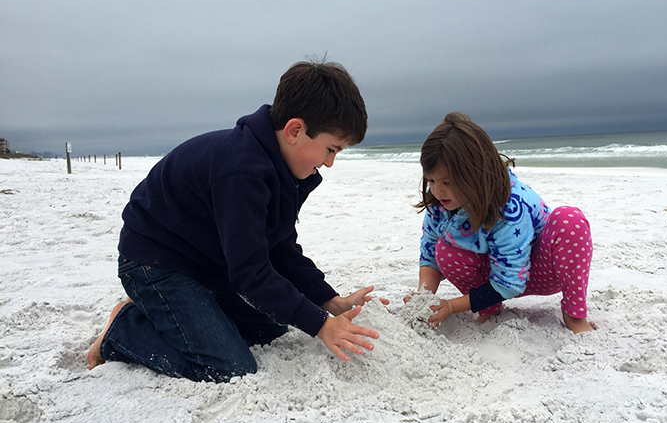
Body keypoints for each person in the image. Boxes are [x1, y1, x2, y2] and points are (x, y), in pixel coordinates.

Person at [87, 60, 382, 382]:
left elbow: (279, 246)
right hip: (155, 263)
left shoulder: (286, 172)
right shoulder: (241, 172)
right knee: (230, 367)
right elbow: (250, 273)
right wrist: (321, 325)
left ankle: (162, 311)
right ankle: (123, 330)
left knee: (269, 331)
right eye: (331, 149)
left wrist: (327, 299)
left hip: (208, 263)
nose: (330, 163)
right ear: (295, 130)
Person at [416, 112, 594, 333]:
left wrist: (452, 305)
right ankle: (488, 308)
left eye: (448, 182)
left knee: (570, 220)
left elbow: (510, 282)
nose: (437, 190)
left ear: (475, 174)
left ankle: (574, 315)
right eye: (431, 180)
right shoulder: (438, 201)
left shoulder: (509, 205)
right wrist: (422, 296)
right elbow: (430, 251)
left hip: (542, 269)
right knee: (444, 251)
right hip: (493, 272)